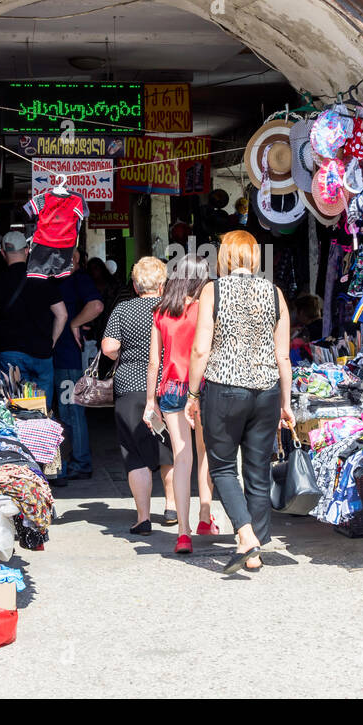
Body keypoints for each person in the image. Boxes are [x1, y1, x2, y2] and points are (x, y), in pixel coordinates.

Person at [185, 230, 293, 574]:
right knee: (258, 471)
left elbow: (201, 348)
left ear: (225, 257)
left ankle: (245, 537)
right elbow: (284, 356)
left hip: (225, 387)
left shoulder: (212, 291)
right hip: (266, 391)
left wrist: (191, 393)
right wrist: (286, 403)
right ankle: (256, 551)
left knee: (222, 467)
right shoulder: (275, 294)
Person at [143, 253, 217, 554]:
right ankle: (204, 517)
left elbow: (153, 361)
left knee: (181, 458)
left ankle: (184, 533)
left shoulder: (161, 311)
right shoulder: (205, 309)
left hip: (171, 389)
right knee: (205, 453)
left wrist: (150, 400)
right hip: (203, 387)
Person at [102, 257, 176, 534]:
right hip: (165, 385)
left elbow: (108, 347)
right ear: (162, 285)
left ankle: (143, 518)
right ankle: (171, 508)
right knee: (166, 446)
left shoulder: (123, 310)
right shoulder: (169, 309)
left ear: (134, 285)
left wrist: (127, 355)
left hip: (130, 387)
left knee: (134, 452)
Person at [0, 230, 67, 409]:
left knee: (15, 411)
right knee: (40, 411)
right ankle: (39, 434)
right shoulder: (43, 279)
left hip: (9, 353)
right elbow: (62, 314)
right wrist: (52, 342)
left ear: (3, 253)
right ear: (27, 251)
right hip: (41, 352)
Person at [53, 249, 104, 482]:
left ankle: (81, 461)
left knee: (72, 409)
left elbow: (96, 306)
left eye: (74, 256)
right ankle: (77, 459)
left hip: (68, 356)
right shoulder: (61, 278)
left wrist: (74, 322)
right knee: (68, 409)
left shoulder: (78, 278)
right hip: (64, 354)